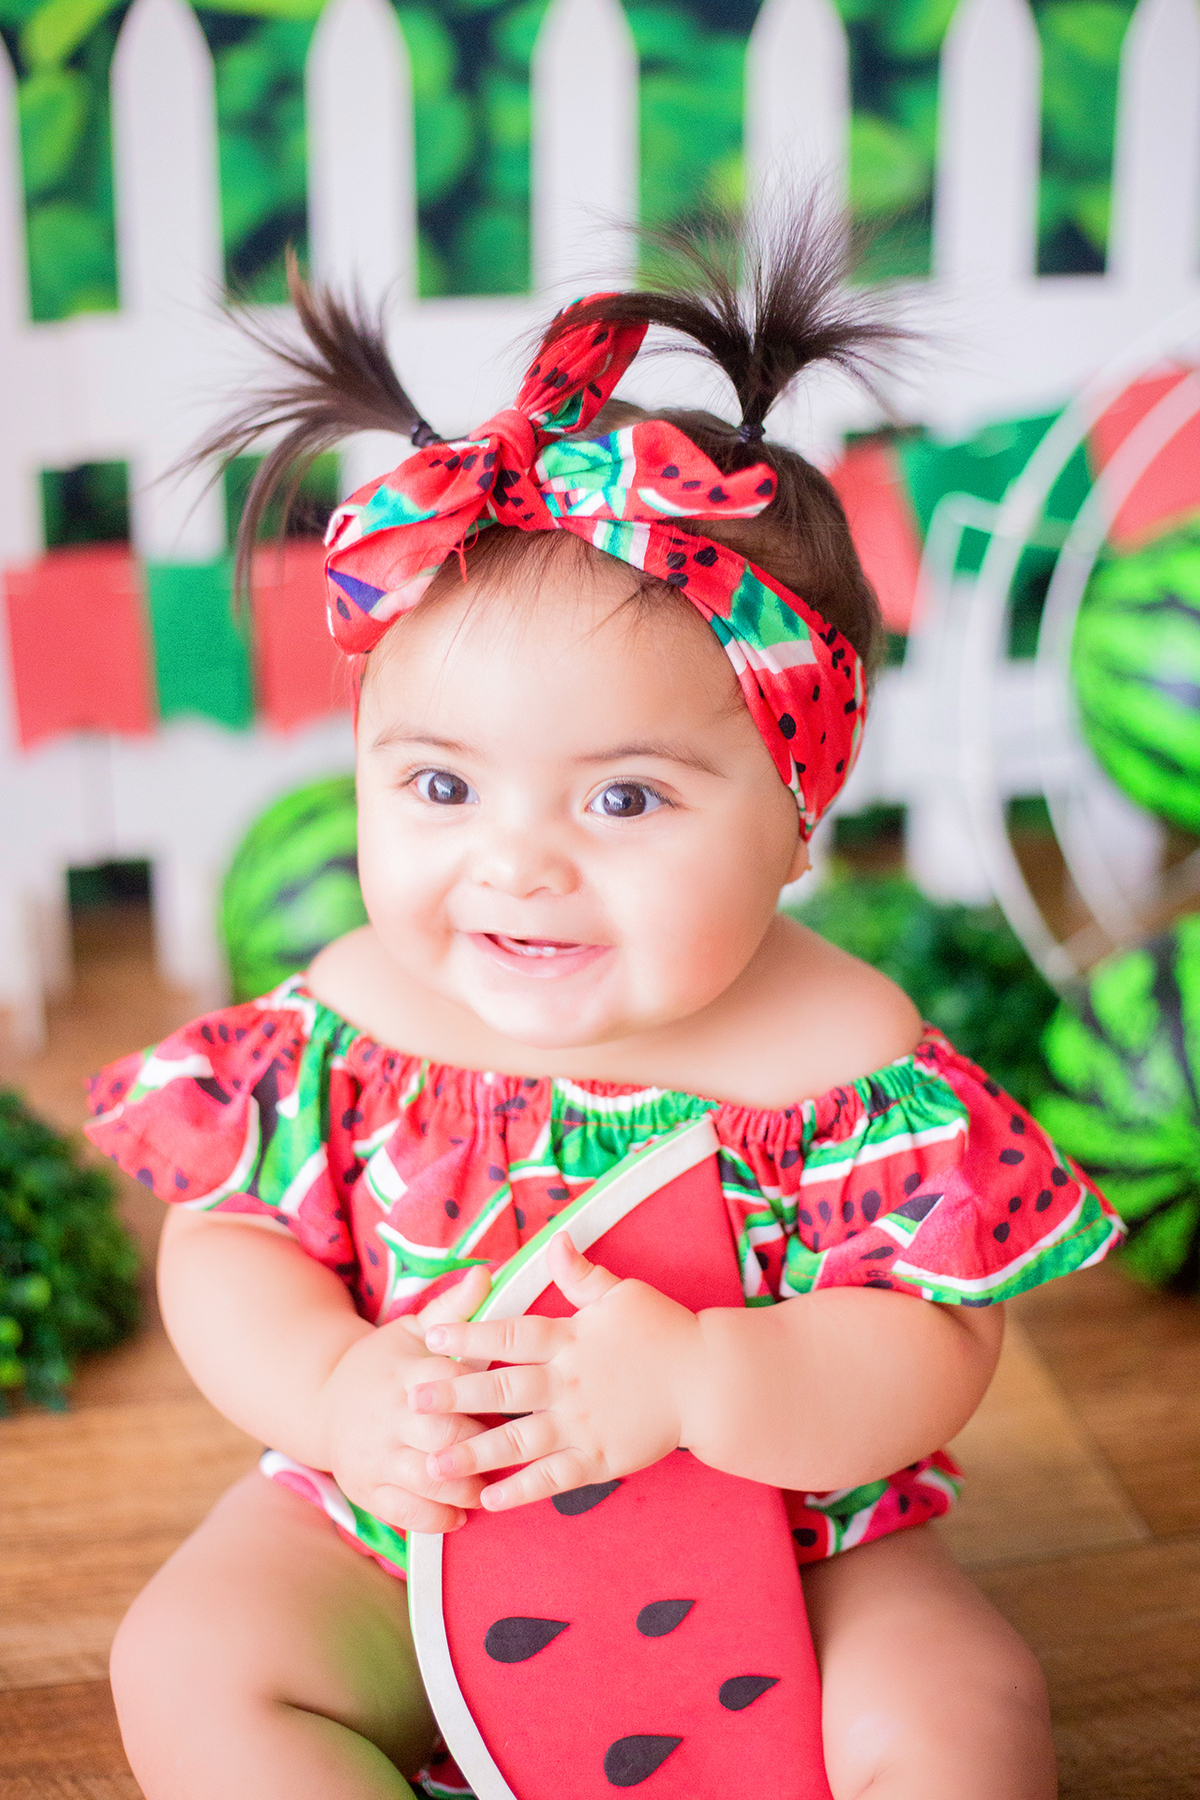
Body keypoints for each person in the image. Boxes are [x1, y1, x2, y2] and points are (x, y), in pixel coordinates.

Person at [86, 211, 1122, 1800]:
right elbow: (227, 1247)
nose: (517, 865)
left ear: (797, 814)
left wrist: (708, 1386)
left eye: (624, 800)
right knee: (188, 1661)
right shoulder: (350, 1028)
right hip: (400, 1524)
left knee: (959, 1708)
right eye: (442, 785)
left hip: (791, 1549)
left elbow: (932, 1346)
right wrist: (336, 1391)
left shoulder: (849, 1070)